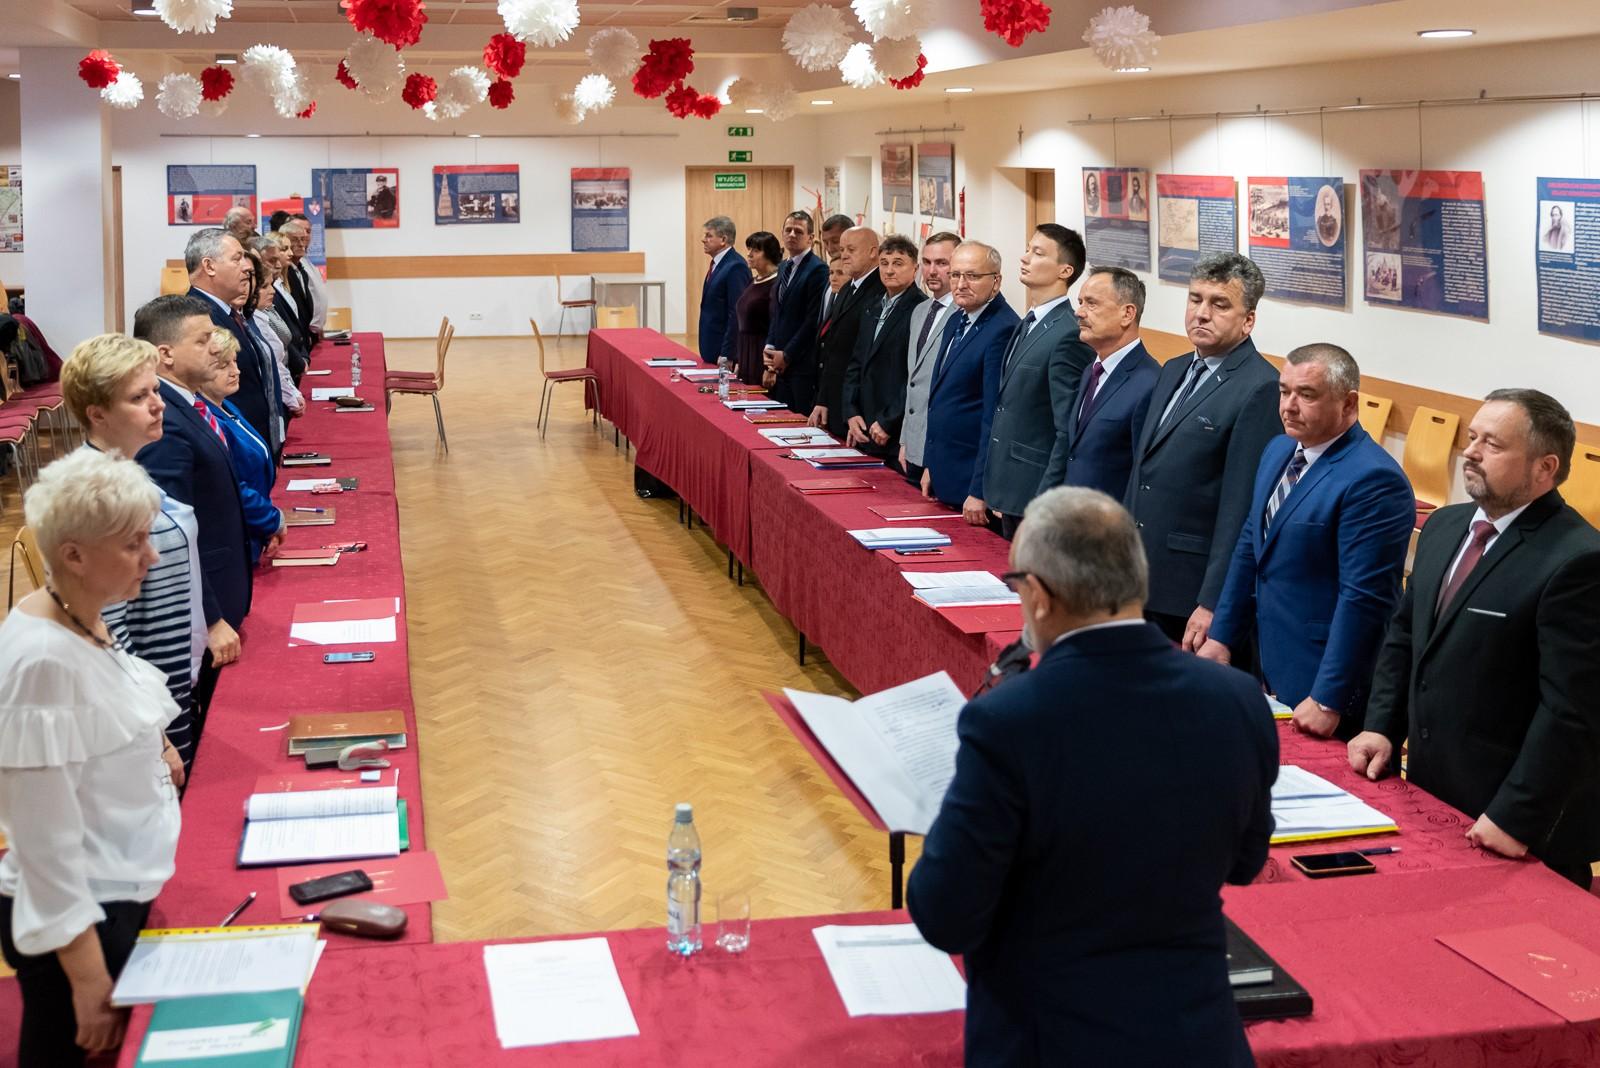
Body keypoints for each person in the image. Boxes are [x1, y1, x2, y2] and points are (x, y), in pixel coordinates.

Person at [908, 486, 1274, 1068]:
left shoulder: (1008, 721)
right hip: (1197, 1035)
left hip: (1049, 1040)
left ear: (1039, 597)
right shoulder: (1238, 700)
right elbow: (1246, 863)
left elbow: (944, 914)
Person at [1349, 390, 1600, 888]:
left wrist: (1516, 815)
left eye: (1493, 444)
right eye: (1472, 437)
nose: (1470, 452)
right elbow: (1405, 636)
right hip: (1430, 789)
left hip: (1512, 818)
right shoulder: (1445, 526)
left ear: (1545, 468)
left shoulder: (1577, 561)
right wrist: (1381, 726)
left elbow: (1572, 711)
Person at [0, 448, 184, 1067]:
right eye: (133, 545)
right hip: (77, 922)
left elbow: (105, 709)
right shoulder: (41, 663)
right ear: (74, 555)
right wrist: (87, 979)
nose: (151, 557)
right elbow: (43, 847)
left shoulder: (79, 612)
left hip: (115, 886)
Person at [1199, 344, 1414, 740]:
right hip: (1266, 660)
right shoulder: (1278, 449)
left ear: (1349, 403)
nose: (1289, 406)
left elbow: (1364, 599)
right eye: (1284, 392)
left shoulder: (1374, 480)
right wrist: (1222, 636)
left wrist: (1328, 698)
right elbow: (1251, 545)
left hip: (1323, 680)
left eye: (1307, 395)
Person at [60, 334, 207, 772]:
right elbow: (102, 633)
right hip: (144, 717)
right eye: (139, 397)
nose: (158, 404)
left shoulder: (129, 472)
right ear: (98, 414)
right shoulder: (95, 496)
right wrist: (153, 735)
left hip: (169, 686)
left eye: (156, 390)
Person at [1124, 252, 1281, 652]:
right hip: (1138, 574)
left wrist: (1213, 601)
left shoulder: (1261, 387)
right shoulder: (1174, 368)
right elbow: (1142, 472)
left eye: (1220, 304)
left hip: (1189, 591)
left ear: (1248, 320)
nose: (1202, 313)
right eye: (1195, 299)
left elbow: (1241, 507)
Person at [133, 294, 251, 714]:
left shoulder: (189, 402)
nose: (215, 348)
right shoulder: (164, 420)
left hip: (224, 583)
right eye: (202, 341)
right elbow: (174, 533)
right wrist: (211, 618)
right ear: (165, 354)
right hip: (202, 609)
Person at [982, 224, 1096, 539]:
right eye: (1028, 249)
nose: (1025, 258)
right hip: (1006, 483)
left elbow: (1066, 428)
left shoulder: (1068, 332)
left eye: (1038, 253)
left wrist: (1045, 498)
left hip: (1033, 490)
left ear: (1065, 270)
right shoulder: (1029, 321)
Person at [921, 241, 1019, 524]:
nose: (961, 284)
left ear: (996, 281)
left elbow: (994, 417)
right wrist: (931, 464)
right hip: (945, 472)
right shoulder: (956, 319)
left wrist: (979, 490)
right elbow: (940, 397)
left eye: (973, 276)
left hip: (971, 486)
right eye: (955, 275)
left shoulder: (1003, 328)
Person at [1062, 266, 1160, 499]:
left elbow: (1143, 475)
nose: (1079, 312)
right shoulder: (1091, 370)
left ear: (1127, 314)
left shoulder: (1150, 383)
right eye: (1080, 302)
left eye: (1091, 303)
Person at [184, 228, 277, 450]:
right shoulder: (198, 317)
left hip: (250, 437)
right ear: (209, 266)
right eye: (237, 259)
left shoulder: (228, 311)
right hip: (233, 442)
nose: (246, 267)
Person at [841, 235, 928, 467]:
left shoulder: (920, 310)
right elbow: (856, 362)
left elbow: (915, 378)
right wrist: (851, 411)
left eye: (898, 263)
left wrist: (888, 421)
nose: (889, 270)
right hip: (862, 425)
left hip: (893, 430)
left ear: (915, 268)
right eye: (884, 263)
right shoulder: (872, 305)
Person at [203, 330, 285, 563]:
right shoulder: (209, 419)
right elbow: (233, 485)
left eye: (235, 362)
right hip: (236, 539)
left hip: (253, 532)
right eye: (223, 366)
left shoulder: (228, 406)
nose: (236, 371)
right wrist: (271, 521)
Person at [810, 226, 884, 437]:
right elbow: (832, 349)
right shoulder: (846, 289)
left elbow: (865, 357)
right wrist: (823, 399)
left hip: (859, 408)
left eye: (851, 250)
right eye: (842, 250)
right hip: (836, 398)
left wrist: (853, 409)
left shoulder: (880, 290)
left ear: (872, 252)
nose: (844, 255)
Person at [899, 232, 960, 487]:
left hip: (941, 450)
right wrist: (905, 439)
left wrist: (937, 458)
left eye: (942, 263)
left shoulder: (964, 315)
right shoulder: (920, 311)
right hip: (913, 445)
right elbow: (913, 381)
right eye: (926, 262)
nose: (932, 271)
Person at [763, 211, 828, 413]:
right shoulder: (784, 266)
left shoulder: (818, 269)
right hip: (779, 360)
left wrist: (787, 354)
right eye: (788, 230)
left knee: (798, 418)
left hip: (801, 363)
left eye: (798, 231)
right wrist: (770, 347)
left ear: (810, 238)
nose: (792, 234)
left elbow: (812, 320)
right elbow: (777, 312)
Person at [252, 233, 313, 386]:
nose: (278, 265)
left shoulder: (280, 285)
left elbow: (295, 328)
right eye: (272, 261)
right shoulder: (261, 303)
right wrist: (299, 361)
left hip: (289, 371)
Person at [697, 215, 750, 366]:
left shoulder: (736, 266)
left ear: (723, 240)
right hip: (711, 348)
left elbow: (736, 313)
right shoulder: (717, 264)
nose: (703, 239)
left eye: (709, 235)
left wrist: (727, 353)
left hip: (723, 353)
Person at [732, 231, 779, 386]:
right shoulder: (753, 281)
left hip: (761, 352)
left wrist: (770, 367)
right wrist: (738, 359)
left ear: (769, 254)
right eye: (749, 249)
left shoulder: (775, 283)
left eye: (756, 250)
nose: (749, 254)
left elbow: (775, 325)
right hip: (745, 350)